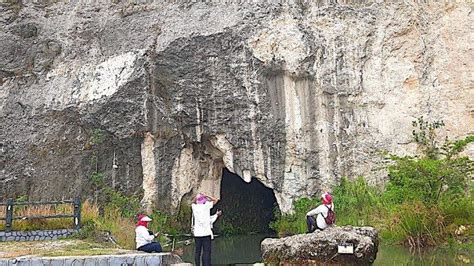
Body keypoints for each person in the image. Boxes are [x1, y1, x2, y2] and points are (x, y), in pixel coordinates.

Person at [191, 193, 222, 266]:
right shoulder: (206, 206)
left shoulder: (194, 207)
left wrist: (197, 197)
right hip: (206, 233)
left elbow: (192, 201)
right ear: (204, 201)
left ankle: (197, 265)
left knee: (197, 251)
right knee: (206, 252)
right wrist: (206, 195)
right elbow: (216, 200)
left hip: (197, 234)